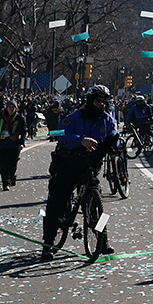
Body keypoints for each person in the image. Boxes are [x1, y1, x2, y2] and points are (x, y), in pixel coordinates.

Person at [41, 85, 119, 261]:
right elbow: (57, 133)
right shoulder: (73, 118)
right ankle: (48, 244)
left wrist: (115, 141)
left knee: (97, 206)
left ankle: (103, 240)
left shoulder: (106, 119)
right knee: (56, 203)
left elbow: (114, 132)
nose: (101, 105)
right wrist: (80, 140)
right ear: (90, 101)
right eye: (98, 101)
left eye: (104, 102)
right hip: (68, 164)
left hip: (90, 166)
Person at [0, 99, 27, 189]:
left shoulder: (20, 119)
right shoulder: (1, 118)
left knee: (12, 164)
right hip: (2, 144)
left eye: (13, 107)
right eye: (9, 107)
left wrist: (21, 143)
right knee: (4, 164)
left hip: (14, 144)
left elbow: (23, 132)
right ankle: (6, 183)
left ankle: (11, 178)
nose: (11, 109)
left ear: (16, 108)